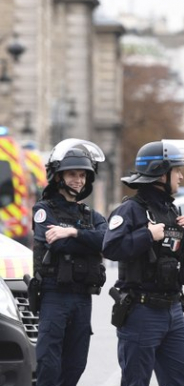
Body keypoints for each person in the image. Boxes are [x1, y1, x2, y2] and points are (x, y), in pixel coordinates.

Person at [102, 139, 184, 386]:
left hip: (174, 311)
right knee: (136, 381)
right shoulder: (130, 210)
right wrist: (146, 235)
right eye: (177, 170)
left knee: (181, 382)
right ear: (160, 173)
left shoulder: (172, 210)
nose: (181, 177)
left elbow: (177, 260)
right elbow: (110, 247)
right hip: (142, 311)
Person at [32, 138, 108, 385]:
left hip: (82, 297)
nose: (79, 180)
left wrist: (73, 232)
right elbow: (57, 243)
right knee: (48, 361)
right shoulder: (44, 209)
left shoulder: (91, 215)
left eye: (83, 175)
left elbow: (108, 240)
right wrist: (86, 240)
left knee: (76, 363)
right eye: (72, 174)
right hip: (55, 294)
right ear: (58, 177)